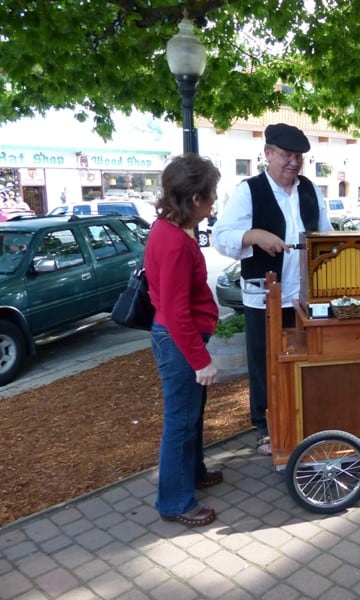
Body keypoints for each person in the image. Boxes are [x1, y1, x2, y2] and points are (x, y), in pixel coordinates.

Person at [213, 123, 332, 456]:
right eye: (286, 155)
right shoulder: (249, 191)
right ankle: (265, 427)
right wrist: (254, 236)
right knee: (265, 363)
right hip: (265, 297)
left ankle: (302, 417)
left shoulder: (309, 189)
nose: (293, 163)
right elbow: (221, 236)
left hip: (304, 296)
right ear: (267, 154)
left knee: (304, 359)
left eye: (299, 157)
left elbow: (325, 234)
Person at [145, 153, 222, 528]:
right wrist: (200, 360)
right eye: (212, 195)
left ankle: (192, 473)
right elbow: (176, 312)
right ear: (195, 199)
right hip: (178, 341)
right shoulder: (174, 240)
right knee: (180, 421)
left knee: (191, 415)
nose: (213, 202)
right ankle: (174, 500)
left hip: (178, 338)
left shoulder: (168, 229)